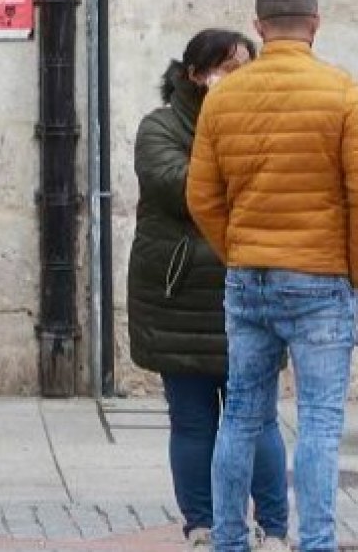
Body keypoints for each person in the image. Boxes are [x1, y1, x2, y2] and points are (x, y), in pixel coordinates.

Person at [188, 0, 358, 552]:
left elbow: (200, 196)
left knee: (240, 414)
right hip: (321, 280)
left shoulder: (223, 98)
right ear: (315, 23)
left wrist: (235, 249)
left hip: (248, 277)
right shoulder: (343, 93)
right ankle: (316, 543)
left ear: (259, 27)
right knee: (318, 420)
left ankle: (229, 540)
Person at [128, 29, 288, 550]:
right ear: (195, 74)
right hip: (181, 298)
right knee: (193, 420)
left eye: (245, 66)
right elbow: (181, 188)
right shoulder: (160, 127)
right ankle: (200, 524)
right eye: (226, 67)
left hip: (249, 287)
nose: (235, 78)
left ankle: (275, 527)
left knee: (259, 417)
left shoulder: (265, 123)